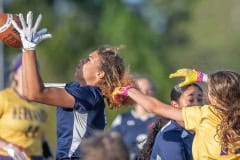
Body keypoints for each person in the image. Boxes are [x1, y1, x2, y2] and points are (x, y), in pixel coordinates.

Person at [12, 11, 135, 159]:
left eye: (89, 60)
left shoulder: (91, 95)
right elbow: (28, 90)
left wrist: (29, 48)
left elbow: (35, 93)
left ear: (100, 74)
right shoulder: (78, 89)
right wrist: (26, 49)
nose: (82, 60)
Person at [113, 68, 240, 159]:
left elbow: (155, 107)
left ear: (213, 98)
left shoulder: (204, 114)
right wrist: (203, 77)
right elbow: (233, 87)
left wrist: (128, 90)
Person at [0, 54, 53, 160]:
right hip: (9, 157)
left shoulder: (40, 102)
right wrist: (7, 147)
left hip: (36, 157)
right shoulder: (4, 97)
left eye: (33, 69)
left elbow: (40, 134)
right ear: (15, 75)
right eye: (25, 69)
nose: (29, 73)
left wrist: (48, 153)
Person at [138, 83, 204, 160]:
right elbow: (153, 106)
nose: (197, 104)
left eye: (200, 99)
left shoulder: (200, 128)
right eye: (191, 100)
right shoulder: (171, 135)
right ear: (175, 104)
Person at [110, 77, 158, 159]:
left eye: (149, 89)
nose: (145, 93)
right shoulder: (122, 119)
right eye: (140, 90)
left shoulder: (163, 120)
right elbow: (110, 145)